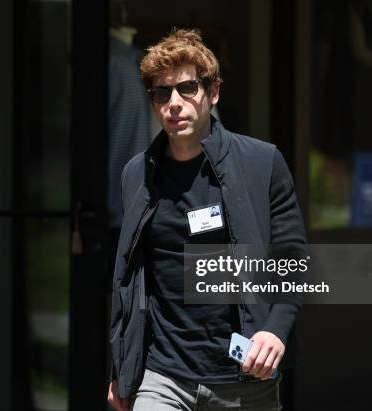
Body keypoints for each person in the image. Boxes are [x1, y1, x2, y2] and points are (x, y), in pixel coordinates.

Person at [107, 29, 307, 410]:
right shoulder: (137, 174)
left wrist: (275, 331)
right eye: (162, 93)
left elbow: (293, 261)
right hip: (163, 377)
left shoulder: (262, 163)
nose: (174, 103)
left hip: (244, 380)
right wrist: (124, 366)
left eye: (187, 89)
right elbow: (130, 283)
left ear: (213, 93)